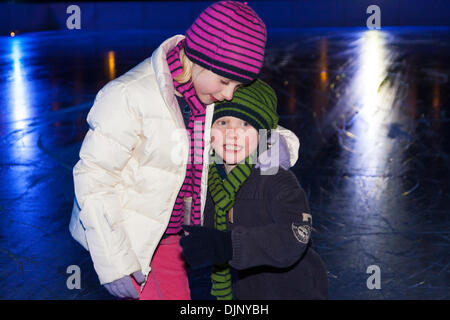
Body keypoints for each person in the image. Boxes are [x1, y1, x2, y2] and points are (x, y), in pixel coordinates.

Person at [69, 1, 300, 300]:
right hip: (130, 237)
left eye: (238, 85)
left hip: (171, 238)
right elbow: (94, 178)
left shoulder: (208, 91)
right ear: (200, 59)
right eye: (226, 81)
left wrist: (275, 144)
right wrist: (114, 262)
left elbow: (252, 122)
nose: (229, 94)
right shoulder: (128, 96)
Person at [180, 79, 328, 300]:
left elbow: (294, 236)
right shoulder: (211, 183)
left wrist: (230, 246)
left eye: (245, 125)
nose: (232, 134)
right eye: (223, 123)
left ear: (262, 136)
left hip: (299, 292)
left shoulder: (276, 178)